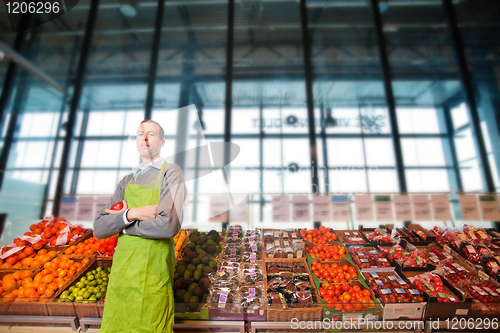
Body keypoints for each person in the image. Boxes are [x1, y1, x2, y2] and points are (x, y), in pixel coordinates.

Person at [94, 119, 186, 333]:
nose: (144, 138)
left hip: (153, 269)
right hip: (122, 271)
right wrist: (132, 213)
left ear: (162, 142)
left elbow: (167, 225)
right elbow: (99, 228)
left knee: (151, 323)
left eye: (151, 134)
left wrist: (123, 226)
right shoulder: (126, 181)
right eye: (139, 134)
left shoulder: (171, 173)